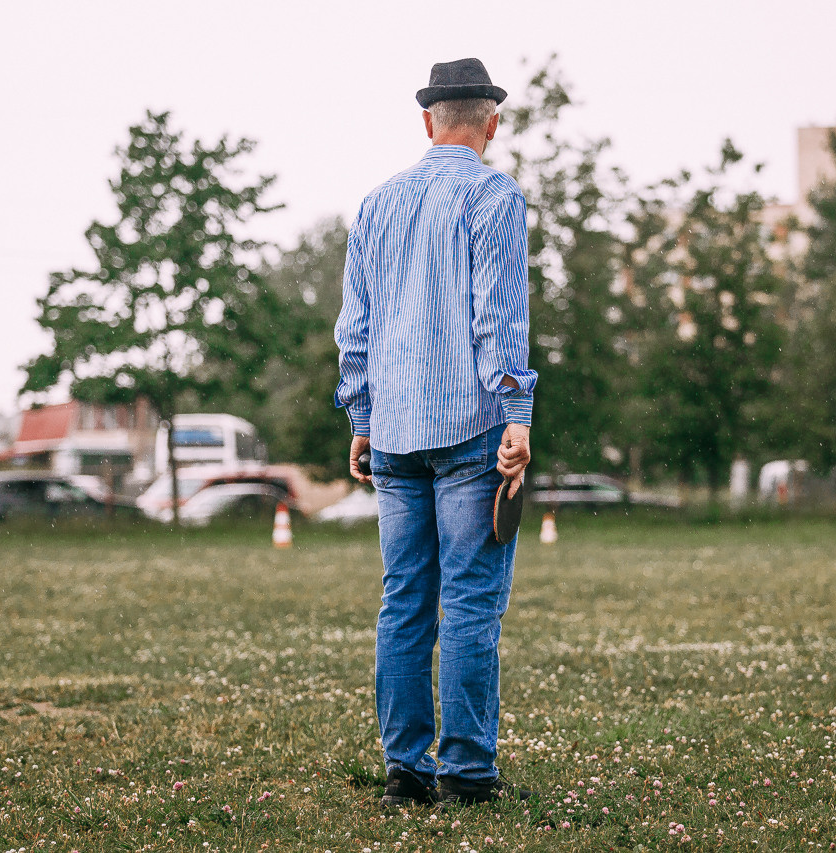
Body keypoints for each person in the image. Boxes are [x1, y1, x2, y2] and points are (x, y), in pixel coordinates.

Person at [334, 57, 537, 807]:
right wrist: (516, 414)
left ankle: (406, 771)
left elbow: (354, 327)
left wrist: (360, 417)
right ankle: (468, 772)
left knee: (405, 601)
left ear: (428, 121)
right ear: (490, 122)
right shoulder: (493, 194)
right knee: (472, 602)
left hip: (392, 430)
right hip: (469, 431)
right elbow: (499, 319)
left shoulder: (378, 203)